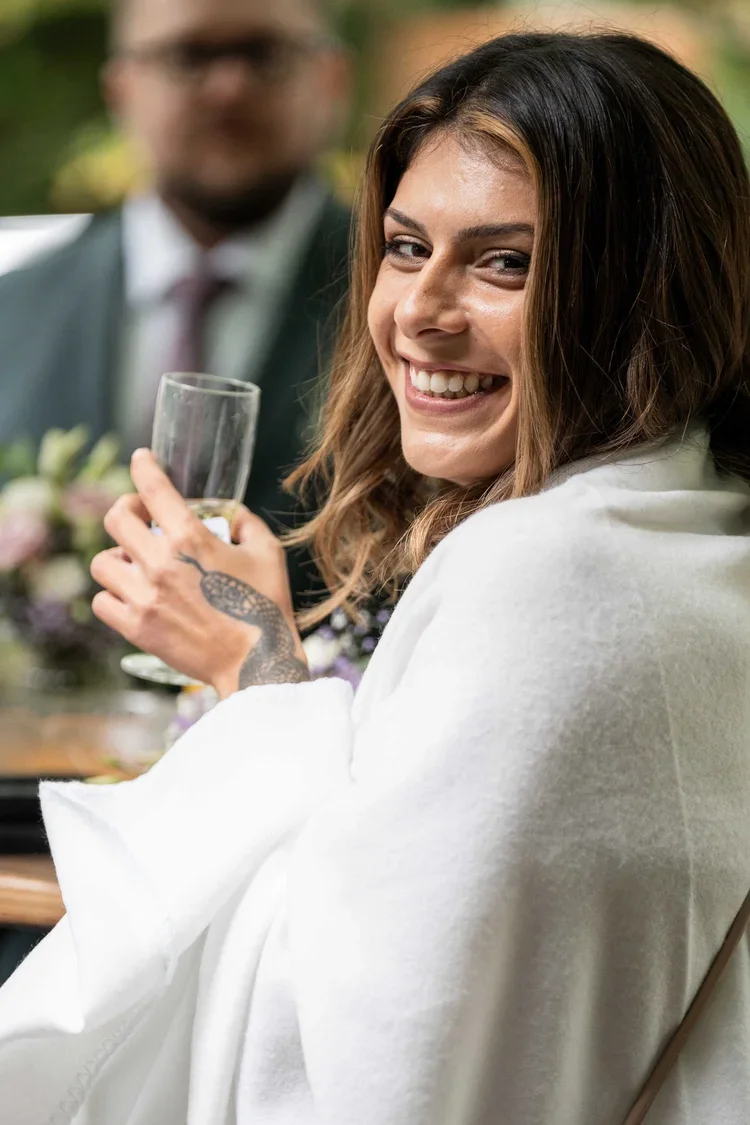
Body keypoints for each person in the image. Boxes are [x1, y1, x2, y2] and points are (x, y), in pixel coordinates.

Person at [1, 29, 750, 1124]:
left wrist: (254, 670)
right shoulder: (700, 532)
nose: (418, 312)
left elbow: (368, 1057)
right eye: (406, 247)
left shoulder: (547, 577)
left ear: (645, 288)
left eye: (504, 262)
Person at [0, 0, 351, 606]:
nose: (228, 87)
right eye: (188, 56)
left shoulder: (413, 299)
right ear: (120, 87)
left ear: (331, 79)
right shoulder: (18, 306)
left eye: (263, 53)